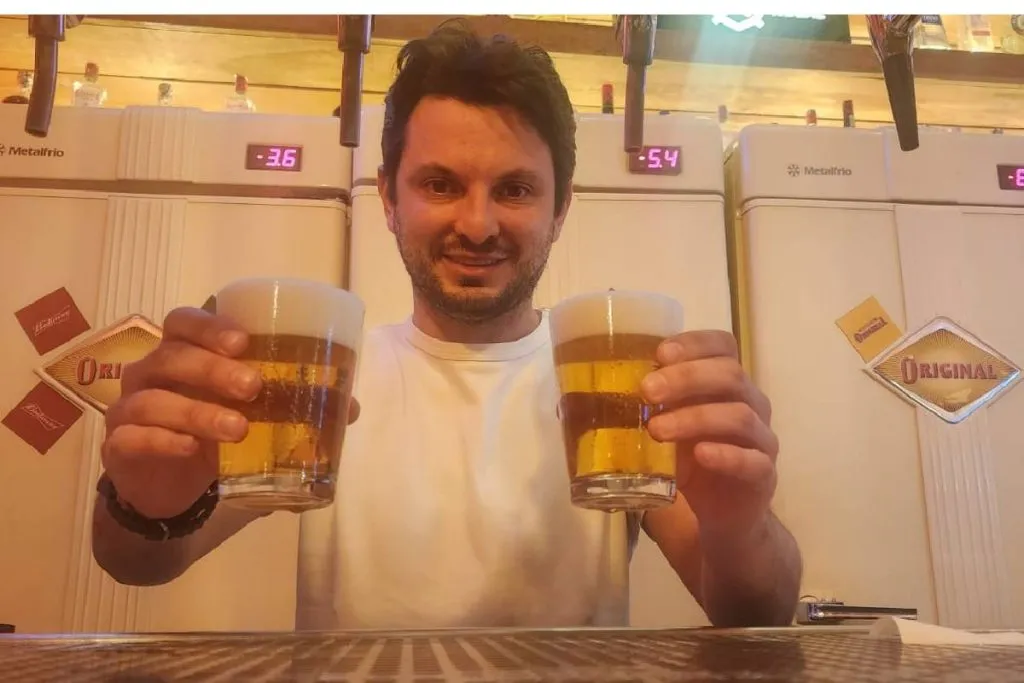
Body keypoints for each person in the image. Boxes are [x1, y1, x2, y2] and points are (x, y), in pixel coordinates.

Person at [92, 21, 802, 630]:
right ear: (388, 200)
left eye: (515, 189)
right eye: (440, 184)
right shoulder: (324, 380)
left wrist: (740, 523)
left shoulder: (623, 384)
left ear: (560, 210)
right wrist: (143, 500)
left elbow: (754, 609)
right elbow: (137, 562)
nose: (478, 223)